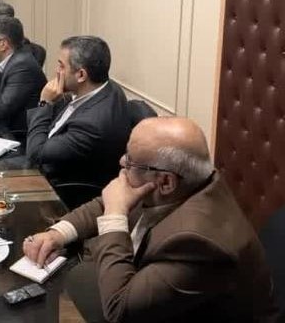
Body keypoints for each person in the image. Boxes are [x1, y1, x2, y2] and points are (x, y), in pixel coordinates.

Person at [23, 117, 277, 323]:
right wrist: (58, 233)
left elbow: (118, 309)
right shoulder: (182, 183)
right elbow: (106, 202)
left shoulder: (199, 244)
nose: (121, 162)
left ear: (165, 182)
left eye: (130, 160)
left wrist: (115, 215)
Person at [26, 36, 130, 190]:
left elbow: (35, 154)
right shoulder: (106, 87)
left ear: (81, 75)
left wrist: (44, 103)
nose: (56, 71)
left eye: (61, 66)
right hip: (51, 154)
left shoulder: (91, 124)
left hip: (55, 184)